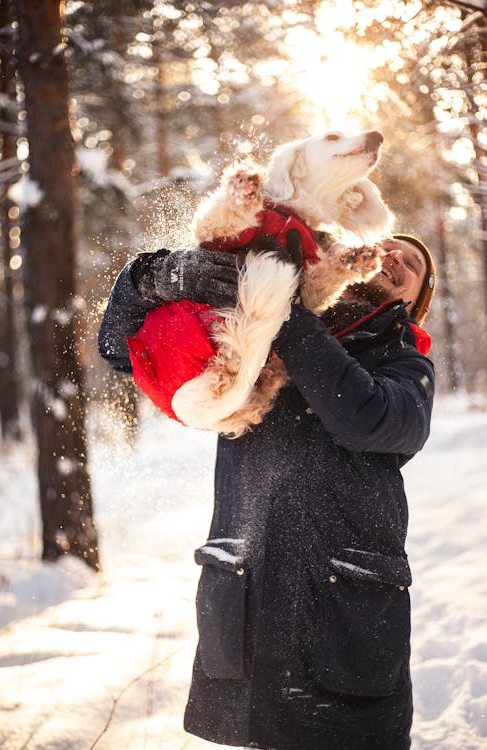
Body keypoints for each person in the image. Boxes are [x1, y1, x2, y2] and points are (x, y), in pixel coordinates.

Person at [98, 232, 436, 750]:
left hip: (345, 620)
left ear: (417, 303)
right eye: (386, 246)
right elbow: (124, 350)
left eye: (411, 263)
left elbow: (366, 419)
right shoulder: (253, 330)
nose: (395, 258)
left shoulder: (407, 367)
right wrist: (151, 280)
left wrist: (286, 310)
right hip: (247, 605)